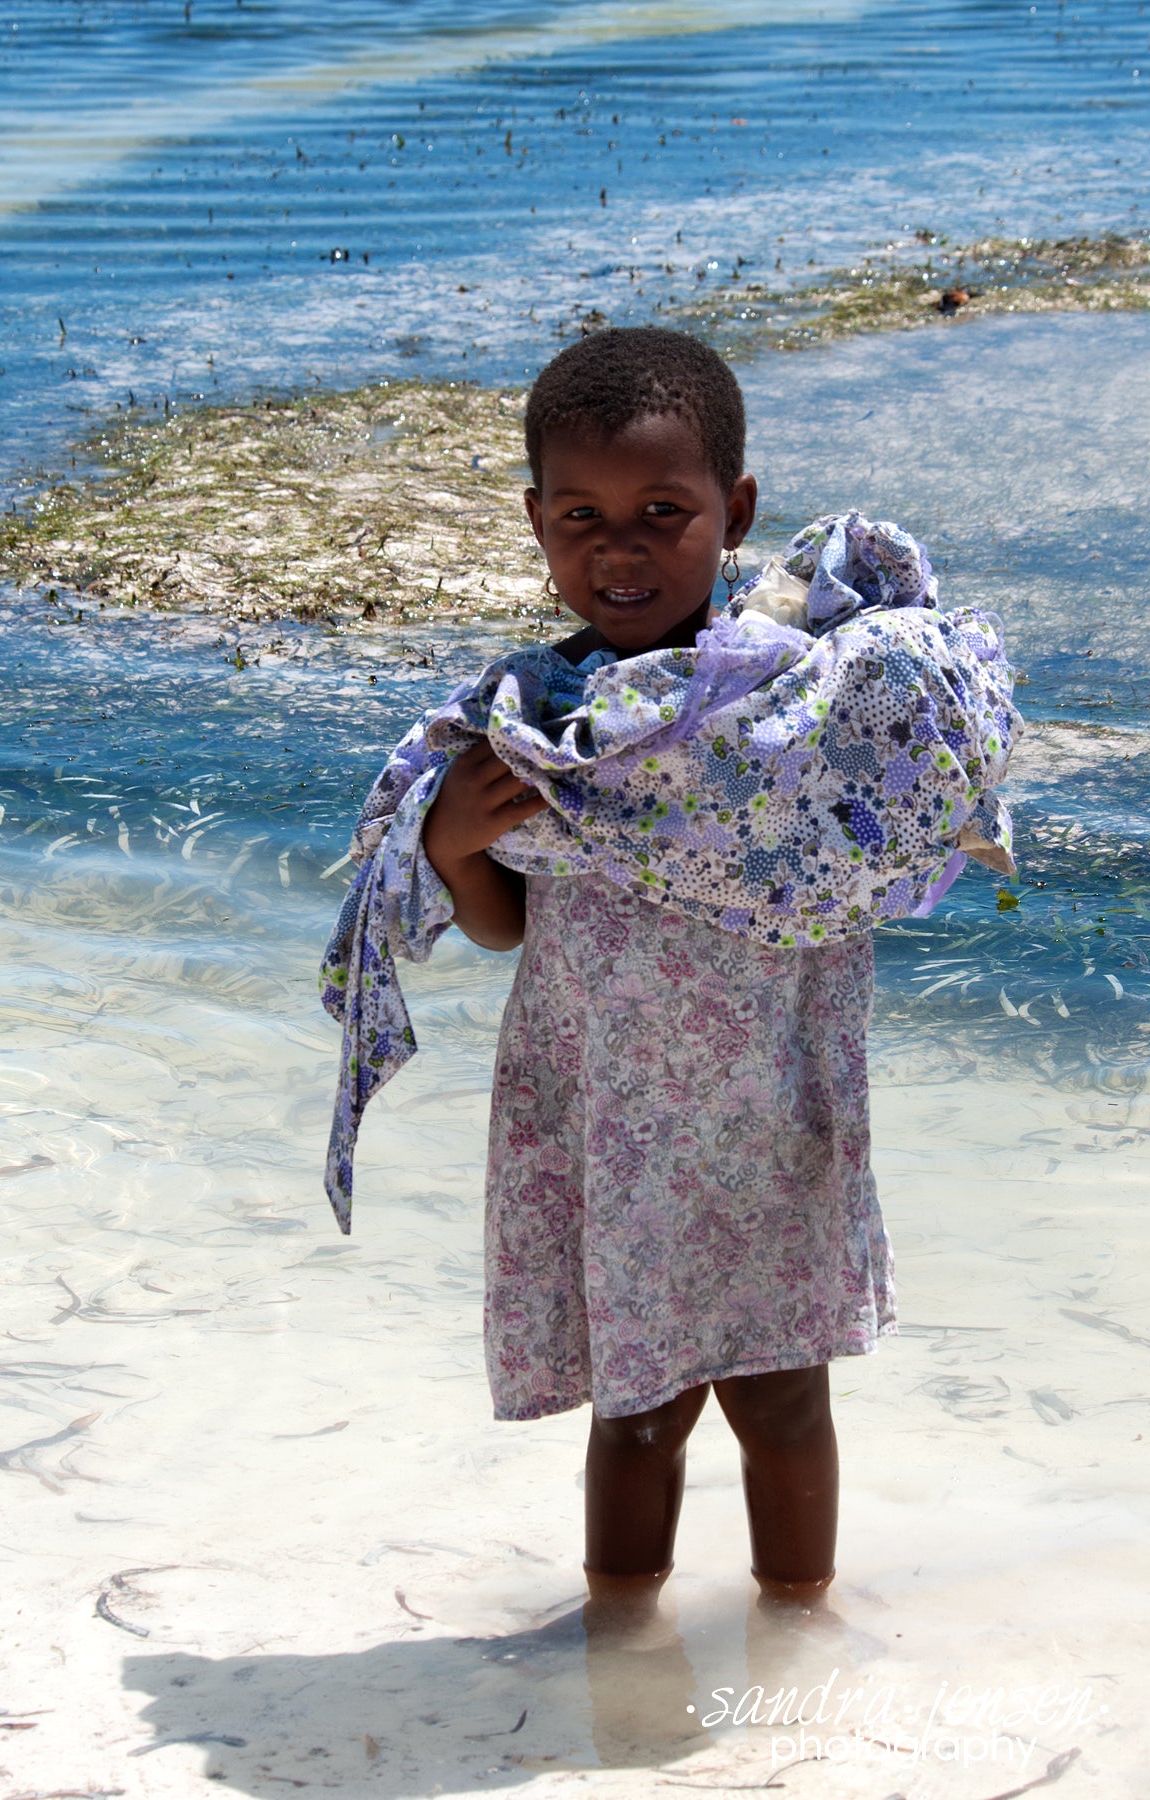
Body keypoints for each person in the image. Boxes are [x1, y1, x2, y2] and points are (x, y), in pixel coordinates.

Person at [321, 326, 1020, 1635]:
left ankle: (798, 1637)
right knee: (637, 1416)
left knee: (783, 1403)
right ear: (534, 522)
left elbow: (868, 837)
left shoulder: (796, 717)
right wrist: (453, 841)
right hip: (625, 1143)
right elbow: (503, 931)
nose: (620, 549)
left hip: (773, 1130)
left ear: (734, 512)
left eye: (663, 513)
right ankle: (619, 1660)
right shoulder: (546, 722)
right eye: (580, 516)